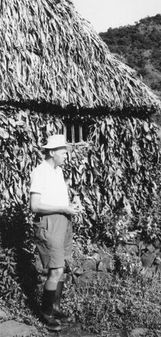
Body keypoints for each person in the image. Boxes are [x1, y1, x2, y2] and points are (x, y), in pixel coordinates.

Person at [30, 134, 80, 332]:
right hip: (49, 224)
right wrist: (63, 209)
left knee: (60, 268)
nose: (66, 155)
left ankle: (55, 308)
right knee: (55, 270)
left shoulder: (57, 171)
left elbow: (56, 199)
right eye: (63, 152)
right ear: (52, 152)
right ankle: (46, 313)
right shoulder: (40, 172)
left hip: (62, 222)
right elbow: (34, 206)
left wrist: (70, 206)